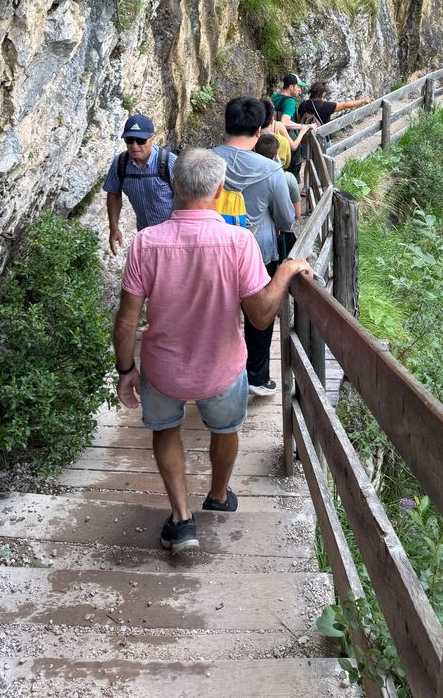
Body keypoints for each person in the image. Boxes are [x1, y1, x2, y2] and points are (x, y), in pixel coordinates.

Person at [113, 148, 311, 553]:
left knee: (165, 429)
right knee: (225, 429)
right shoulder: (239, 242)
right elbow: (259, 317)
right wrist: (287, 269)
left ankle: (182, 519)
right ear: (220, 191)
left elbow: (127, 321)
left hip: (163, 369)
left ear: (173, 187)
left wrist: (125, 369)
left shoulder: (145, 243)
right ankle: (218, 495)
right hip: (221, 367)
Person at [213, 97, 295, 397]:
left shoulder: (204, 162)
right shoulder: (271, 170)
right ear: (259, 130)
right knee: (260, 315)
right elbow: (287, 219)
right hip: (259, 252)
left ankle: (218, 372)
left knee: (218, 312)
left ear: (226, 124)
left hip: (212, 251)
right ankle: (256, 377)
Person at [102, 114, 177, 255]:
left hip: (173, 237)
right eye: (129, 140)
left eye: (141, 140)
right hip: (145, 236)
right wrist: (114, 228)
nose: (134, 146)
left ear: (152, 138)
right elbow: (113, 193)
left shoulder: (170, 163)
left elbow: (186, 199)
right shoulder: (120, 163)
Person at [255, 132, 302, 220]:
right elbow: (297, 213)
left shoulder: (249, 175)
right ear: (275, 155)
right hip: (277, 224)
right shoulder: (288, 178)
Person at [271, 74, 308, 179]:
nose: (300, 89)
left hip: (273, 140)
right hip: (289, 142)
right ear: (291, 87)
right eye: (298, 86)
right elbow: (284, 122)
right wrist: (303, 126)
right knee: (291, 178)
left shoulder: (273, 97)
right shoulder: (290, 101)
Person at [260, 97, 310, 172]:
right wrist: (302, 132)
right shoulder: (278, 125)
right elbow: (293, 146)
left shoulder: (255, 127)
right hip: (278, 166)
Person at [299, 82, 374, 127]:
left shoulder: (303, 105)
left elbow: (298, 121)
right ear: (323, 94)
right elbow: (345, 105)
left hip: (305, 139)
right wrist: (363, 101)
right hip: (322, 139)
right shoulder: (327, 106)